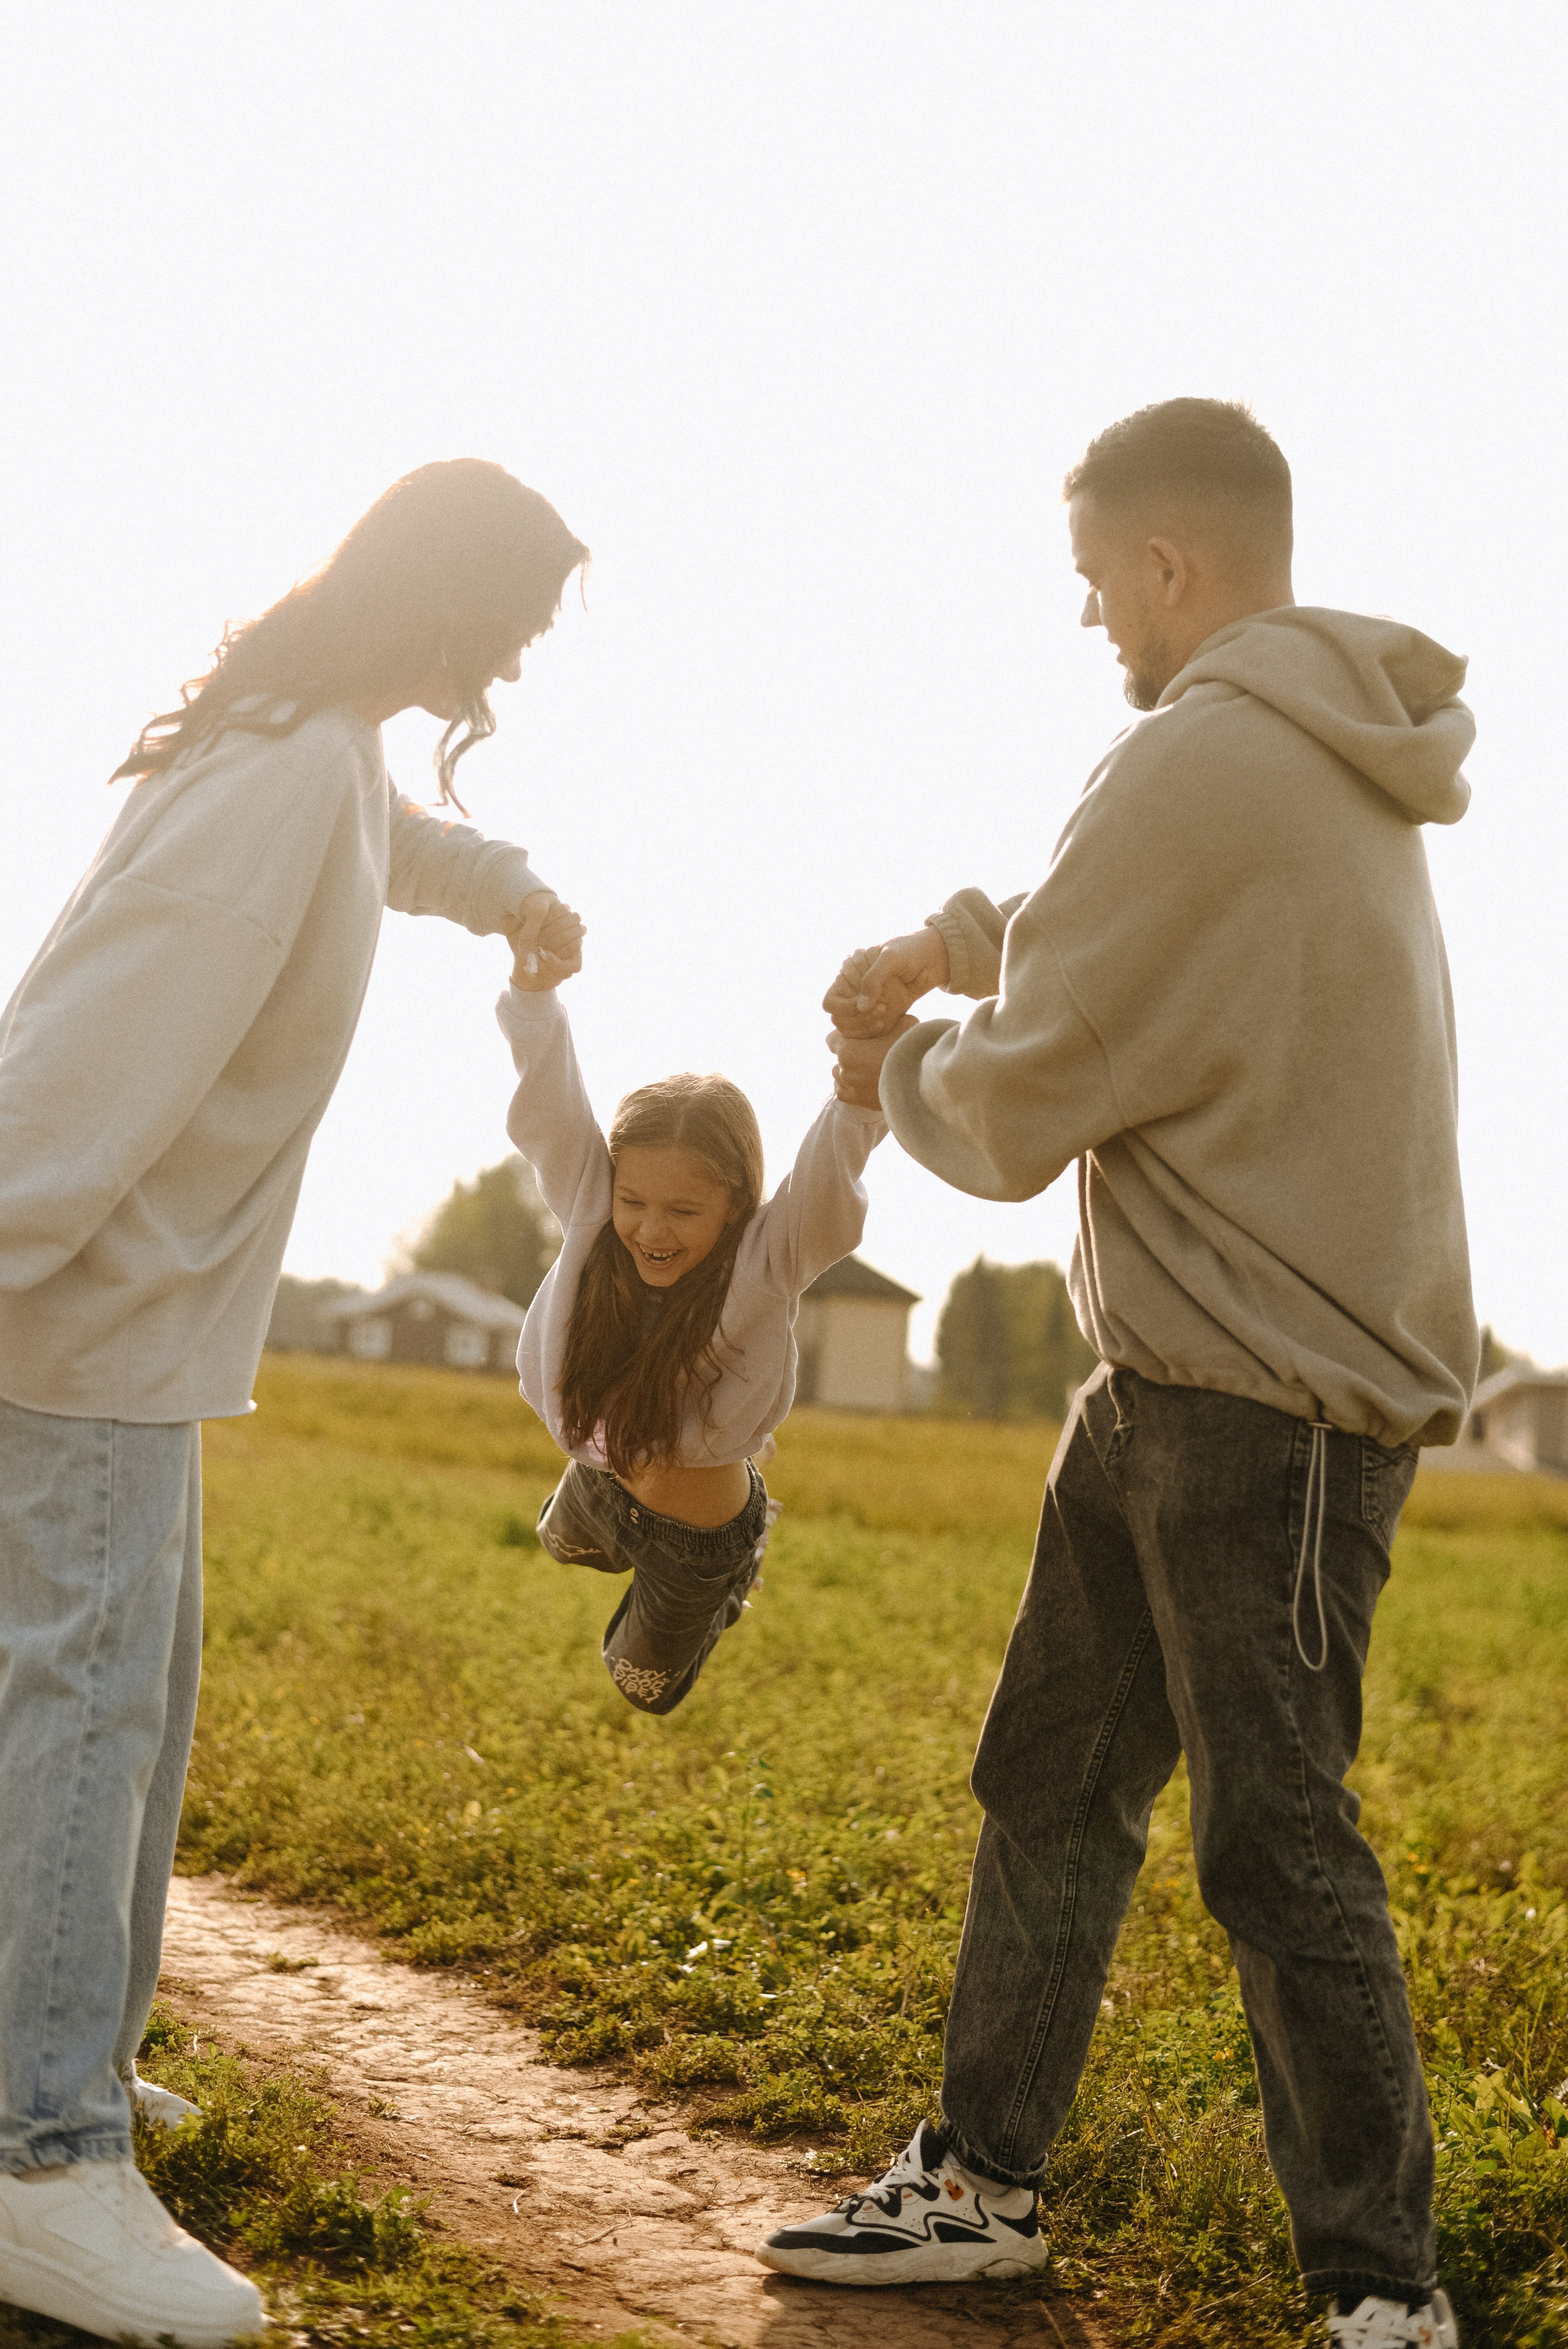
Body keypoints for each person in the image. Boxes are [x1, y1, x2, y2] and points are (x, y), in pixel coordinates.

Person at [758, 400, 1475, 2349]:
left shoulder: (1194, 755)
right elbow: (1133, 950)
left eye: (1098, 590)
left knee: (1276, 1839)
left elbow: (1002, 1123)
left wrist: (886, 1065)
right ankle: (980, 2182)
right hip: (1170, 1380)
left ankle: (1383, 2298)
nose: (1096, 628)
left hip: (1267, 1407)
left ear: (1169, 566)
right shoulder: (1324, 755)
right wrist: (960, 940)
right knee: (1053, 1779)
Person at [0, 459, 589, 2348]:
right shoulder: (268, 785)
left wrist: (497, 881)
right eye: (516, 622)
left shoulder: (318, 737)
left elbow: (386, 836)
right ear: (445, 602)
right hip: (76, 1333)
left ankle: (55, 2048)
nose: (518, 659)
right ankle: (38, 2152)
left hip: (138, 1339)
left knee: (131, 1718)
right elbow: (67, 1073)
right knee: (80, 1727)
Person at [499, 929, 903, 1714]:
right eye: (635, 1202)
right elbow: (552, 1114)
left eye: (684, 1211)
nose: (652, 1230)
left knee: (640, 1687)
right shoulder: (591, 1217)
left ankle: (736, 1571)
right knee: (559, 1542)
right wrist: (534, 998)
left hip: (695, 1538)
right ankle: (595, 1511)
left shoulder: (764, 1261)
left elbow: (826, 1181)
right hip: (600, 1474)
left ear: (734, 1205)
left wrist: (859, 1093)